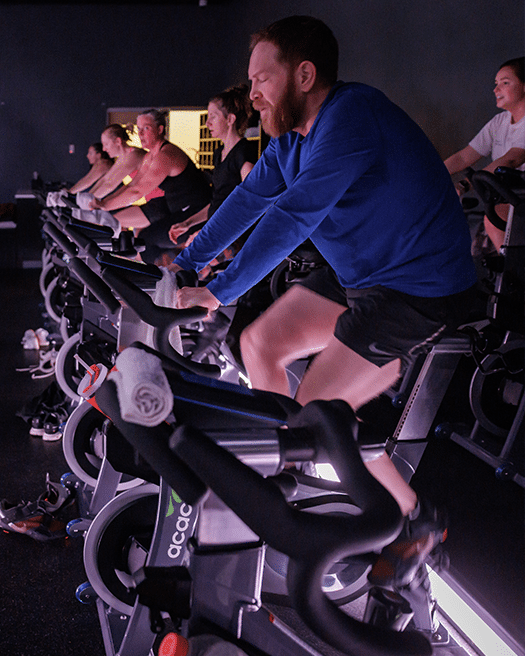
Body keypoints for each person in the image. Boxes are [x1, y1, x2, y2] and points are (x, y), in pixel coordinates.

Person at [172, 16, 478, 587]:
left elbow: (293, 216)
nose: (252, 94)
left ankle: (415, 517)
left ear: (304, 75)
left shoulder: (351, 116)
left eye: (262, 79)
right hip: (360, 275)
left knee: (318, 410)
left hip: (420, 288)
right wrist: (187, 260)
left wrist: (217, 290)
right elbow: (249, 200)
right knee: (259, 342)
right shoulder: (291, 140)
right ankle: (280, 474)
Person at [89, 109, 211, 263]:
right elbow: (132, 184)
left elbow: (136, 191)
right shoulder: (150, 156)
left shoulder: (166, 155)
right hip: (173, 205)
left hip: (197, 210)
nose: (140, 133)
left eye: (146, 128)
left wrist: (104, 206)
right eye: (139, 128)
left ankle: (157, 274)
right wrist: (103, 203)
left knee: (145, 239)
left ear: (159, 130)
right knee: (123, 225)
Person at [168, 84, 257, 268]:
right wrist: (188, 223)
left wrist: (207, 233)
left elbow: (250, 202)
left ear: (230, 119)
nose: (208, 123)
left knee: (182, 266)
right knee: (181, 263)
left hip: (234, 234)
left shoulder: (244, 151)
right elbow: (217, 201)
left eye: (213, 117)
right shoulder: (218, 154)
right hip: (217, 229)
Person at [444, 57, 525, 252]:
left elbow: (510, 160)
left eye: (505, 83)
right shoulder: (499, 122)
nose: (496, 89)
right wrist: (432, 176)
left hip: (520, 198)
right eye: (496, 83)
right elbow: (463, 157)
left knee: (493, 220)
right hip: (509, 199)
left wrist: (465, 185)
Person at [87, 123, 148, 201]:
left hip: (160, 199)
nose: (104, 149)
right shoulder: (122, 157)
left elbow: (110, 185)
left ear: (118, 141)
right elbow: (105, 179)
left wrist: (89, 201)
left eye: (106, 144)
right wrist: (87, 196)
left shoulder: (134, 155)